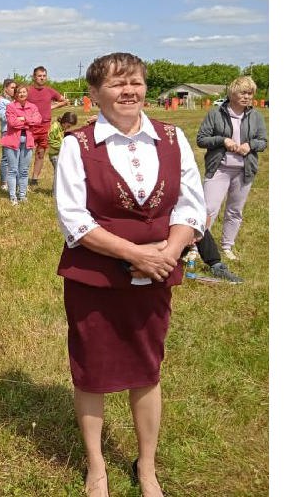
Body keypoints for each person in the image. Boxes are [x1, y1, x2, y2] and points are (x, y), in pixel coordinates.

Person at [54, 52, 206, 497]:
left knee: (146, 367)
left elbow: (191, 206)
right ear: (95, 94)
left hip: (158, 273)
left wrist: (170, 252)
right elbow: (73, 218)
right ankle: (97, 467)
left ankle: (147, 466)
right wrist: (133, 254)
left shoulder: (174, 138)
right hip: (94, 278)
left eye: (136, 82)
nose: (130, 91)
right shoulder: (77, 144)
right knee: (92, 369)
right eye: (118, 84)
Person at [195, 75, 268, 260]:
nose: (247, 97)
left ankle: (227, 247)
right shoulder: (215, 114)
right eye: (243, 92)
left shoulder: (256, 116)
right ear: (232, 93)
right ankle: (197, 247)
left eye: (250, 93)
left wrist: (250, 145)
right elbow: (201, 139)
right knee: (209, 209)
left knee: (235, 211)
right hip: (219, 169)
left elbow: (263, 142)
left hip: (244, 171)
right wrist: (223, 140)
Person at [0, 84, 41, 205]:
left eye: (24, 92)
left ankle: (22, 195)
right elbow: (12, 123)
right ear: (16, 94)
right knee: (13, 170)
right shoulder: (10, 106)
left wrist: (23, 119)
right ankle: (13, 196)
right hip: (12, 141)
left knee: (24, 170)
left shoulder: (33, 107)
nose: (22, 94)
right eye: (19, 92)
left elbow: (38, 120)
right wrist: (28, 121)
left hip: (28, 141)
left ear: (27, 93)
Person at [27, 66, 68, 187]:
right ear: (34, 77)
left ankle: (34, 179)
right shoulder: (28, 91)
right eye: (39, 76)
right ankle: (22, 176)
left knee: (40, 153)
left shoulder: (50, 91)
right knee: (26, 153)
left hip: (45, 126)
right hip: (30, 126)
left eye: (44, 76)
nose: (42, 78)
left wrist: (52, 107)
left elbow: (65, 101)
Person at [0, 78, 17, 191]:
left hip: (17, 131)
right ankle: (4, 182)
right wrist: (17, 115)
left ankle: (14, 180)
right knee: (6, 158)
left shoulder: (14, 102)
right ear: (6, 88)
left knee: (15, 157)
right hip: (7, 131)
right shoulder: (2, 102)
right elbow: (4, 118)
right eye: (12, 88)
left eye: (15, 88)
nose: (15, 90)